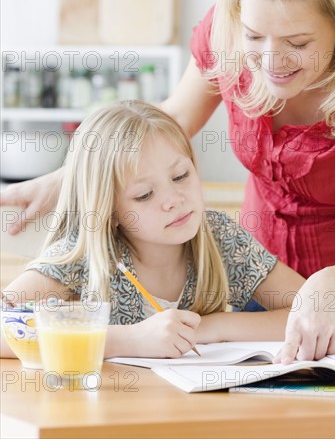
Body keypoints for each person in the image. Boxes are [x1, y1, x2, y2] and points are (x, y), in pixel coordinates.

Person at [1, 0, 335, 362]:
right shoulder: (227, 38)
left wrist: (325, 288)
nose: (270, 60)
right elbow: (168, 123)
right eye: (254, 36)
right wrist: (72, 175)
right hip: (268, 282)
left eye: (297, 43)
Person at [1, 100, 317, 360]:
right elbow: (6, 329)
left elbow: (311, 309)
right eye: (144, 195)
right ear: (110, 212)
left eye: (180, 176)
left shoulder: (219, 237)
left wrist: (210, 327)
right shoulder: (85, 256)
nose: (173, 200)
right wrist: (128, 340)